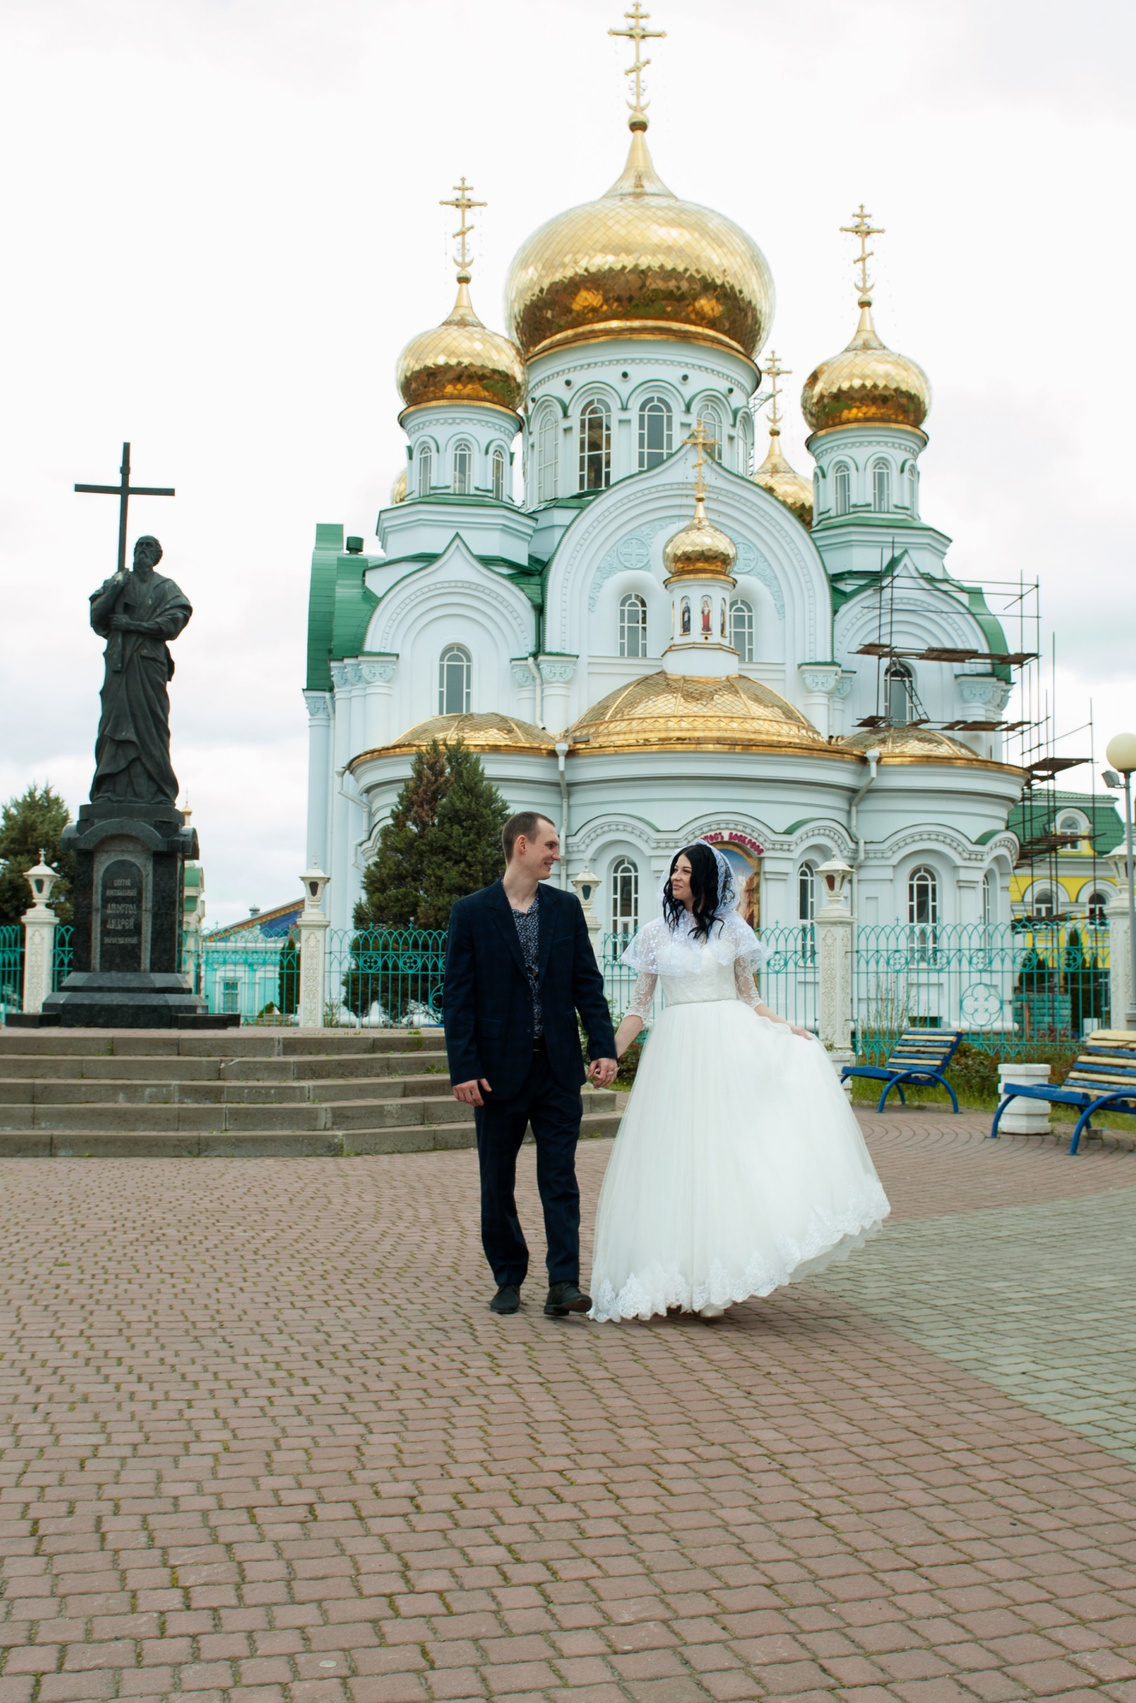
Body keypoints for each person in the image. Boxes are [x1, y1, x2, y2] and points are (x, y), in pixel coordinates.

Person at [589, 841, 890, 1323]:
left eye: (686, 871)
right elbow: (638, 1008)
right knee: (672, 1162)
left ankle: (715, 1278)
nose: (676, 878)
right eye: (674, 870)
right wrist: (608, 1053)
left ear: (706, 878)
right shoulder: (653, 934)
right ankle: (668, 1275)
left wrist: (784, 1027)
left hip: (727, 1051)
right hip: (675, 1054)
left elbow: (750, 997)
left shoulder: (733, 931)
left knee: (722, 1161)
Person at [444, 812, 618, 1317]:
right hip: (496, 1072)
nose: (556, 854)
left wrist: (601, 1048)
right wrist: (463, 1068)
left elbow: (588, 984)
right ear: (522, 845)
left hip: (558, 1069)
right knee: (496, 1180)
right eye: (550, 844)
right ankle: (508, 1277)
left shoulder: (564, 910)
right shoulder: (471, 913)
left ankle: (563, 1283)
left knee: (560, 1178)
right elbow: (458, 999)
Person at [88, 535, 193, 804]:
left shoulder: (166, 588)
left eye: (149, 547)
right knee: (114, 723)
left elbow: (172, 624)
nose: (143, 551)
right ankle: (110, 789)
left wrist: (131, 625)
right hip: (119, 666)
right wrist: (114, 589)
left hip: (148, 664)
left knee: (152, 726)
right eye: (139, 547)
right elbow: (96, 618)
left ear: (157, 556)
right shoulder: (118, 582)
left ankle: (157, 790)